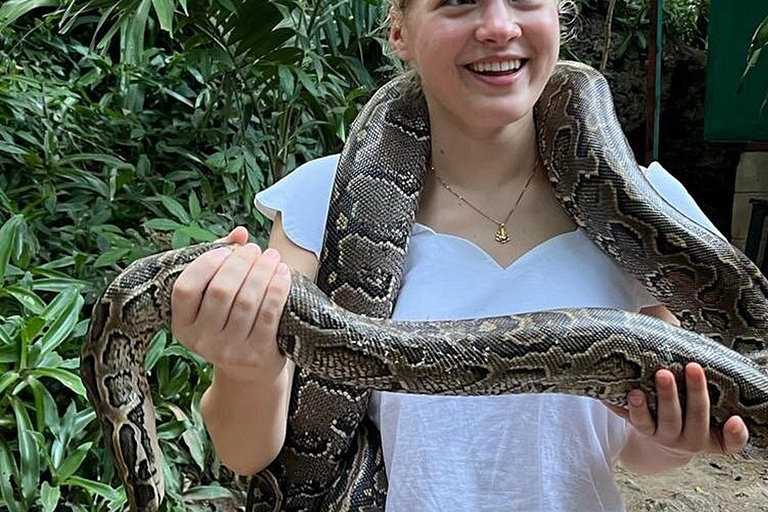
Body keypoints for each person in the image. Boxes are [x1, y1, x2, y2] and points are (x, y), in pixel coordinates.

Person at [170, 0, 750, 509]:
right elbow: (246, 453)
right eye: (458, 0)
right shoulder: (322, 200)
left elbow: (637, 452)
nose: (499, 26)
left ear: (557, 16)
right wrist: (248, 366)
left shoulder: (654, 209)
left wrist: (673, 434)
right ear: (400, 31)